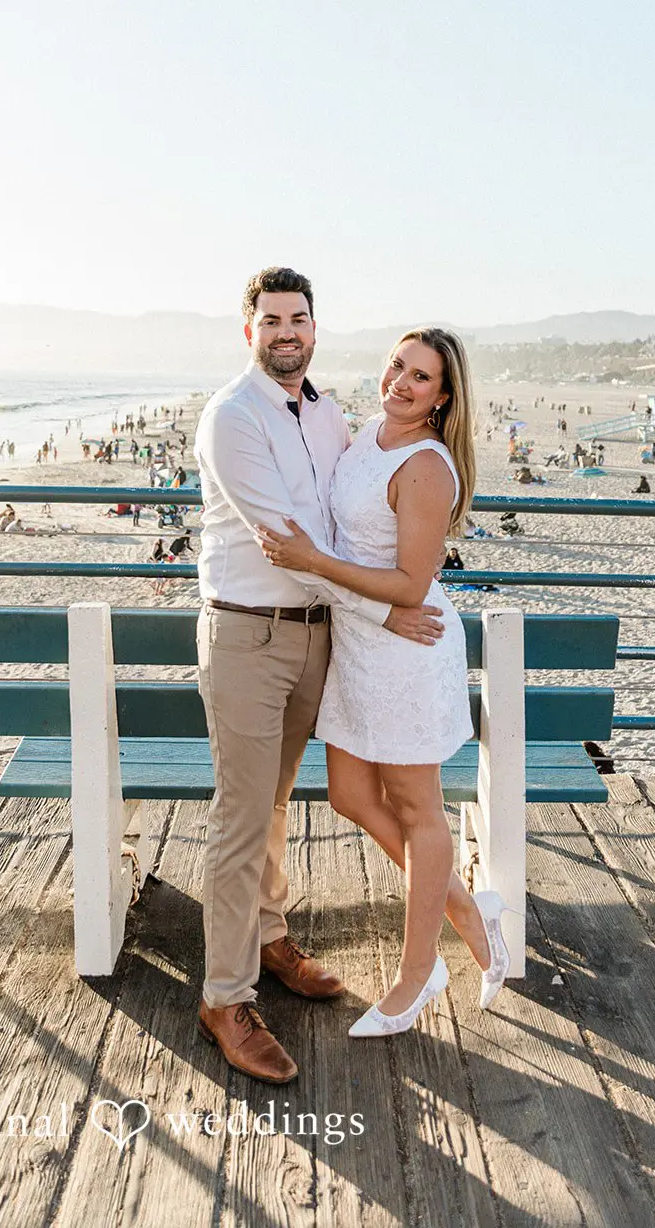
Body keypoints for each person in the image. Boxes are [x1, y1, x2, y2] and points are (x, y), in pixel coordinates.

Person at [192, 268, 445, 1085]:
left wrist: (374, 608)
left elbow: (351, 519)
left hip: (316, 639)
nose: (286, 331)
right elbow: (289, 542)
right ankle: (225, 998)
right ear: (249, 332)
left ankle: (267, 941)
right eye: (270, 320)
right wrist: (385, 610)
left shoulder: (329, 411)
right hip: (248, 637)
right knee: (239, 818)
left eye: (298, 318)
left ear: (313, 327)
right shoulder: (231, 418)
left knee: (270, 806)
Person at [259, 325, 509, 1046]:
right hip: (363, 640)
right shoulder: (367, 433)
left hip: (407, 651)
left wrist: (312, 560)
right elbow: (366, 572)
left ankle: (417, 972)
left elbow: (412, 585)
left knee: (418, 809)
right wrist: (357, 596)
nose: (399, 382)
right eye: (396, 366)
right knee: (349, 794)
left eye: (420, 377)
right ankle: (465, 911)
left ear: (443, 397)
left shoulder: (427, 467)